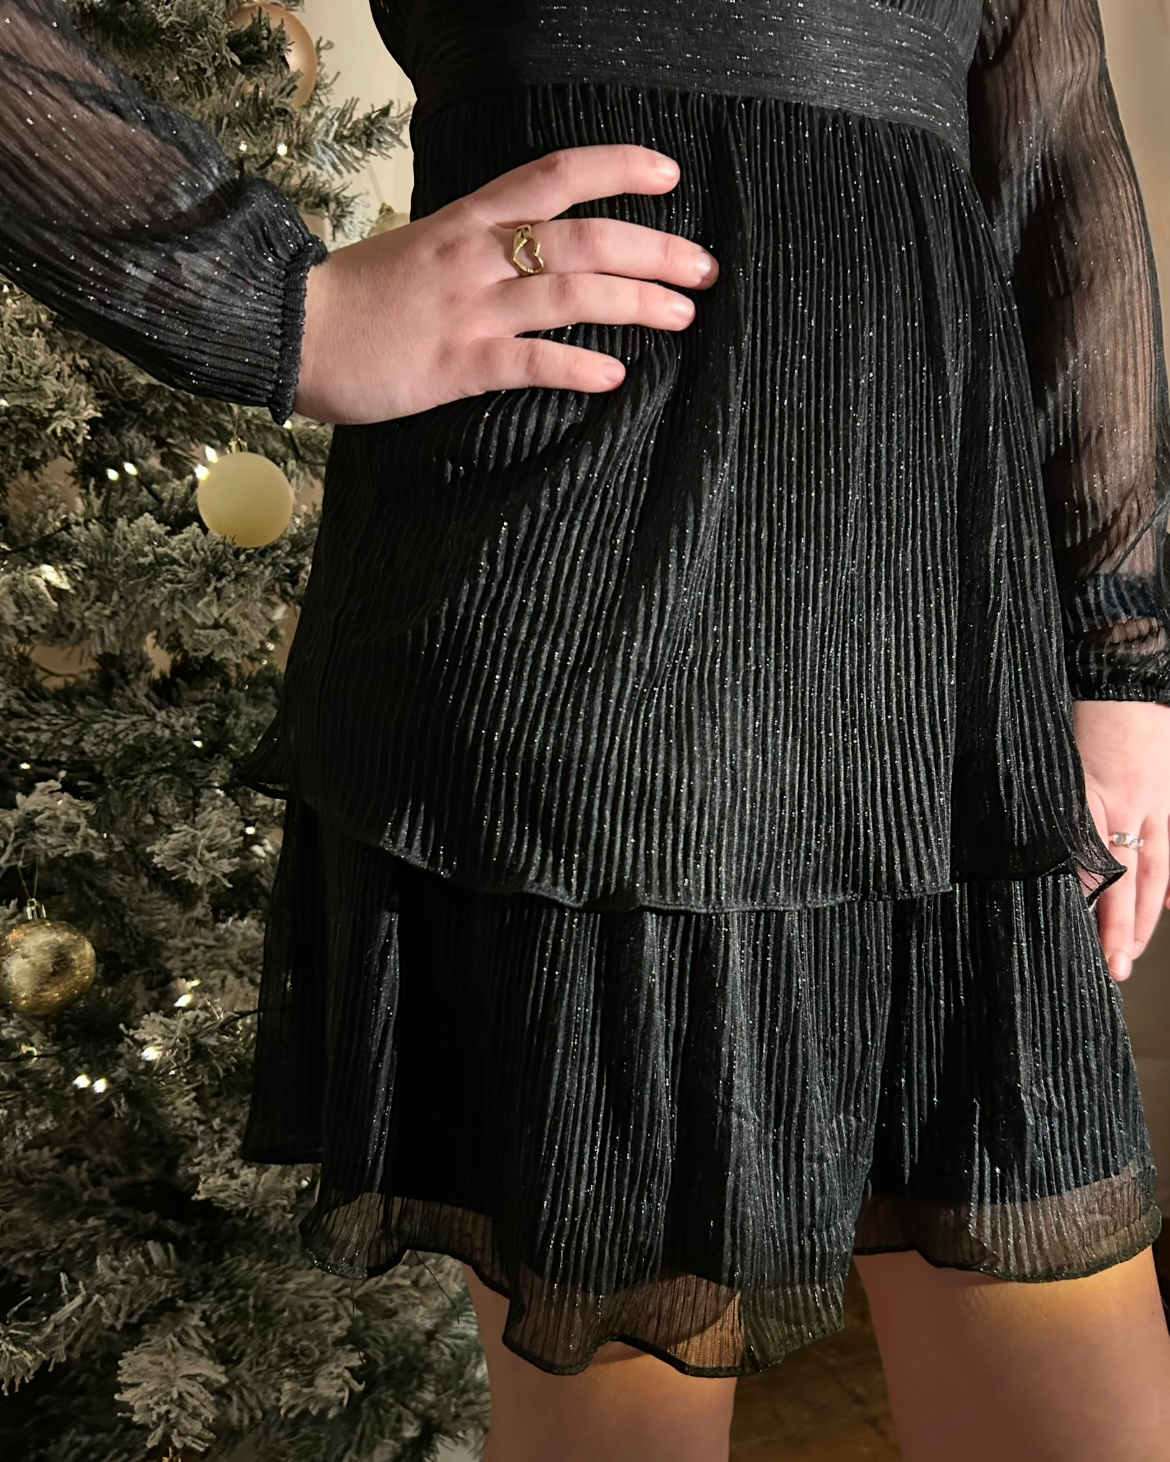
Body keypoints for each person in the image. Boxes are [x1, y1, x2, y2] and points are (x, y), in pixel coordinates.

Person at [3, 0, 1170, 1457]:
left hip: (947, 688)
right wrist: (269, 303)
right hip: (585, 663)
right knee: (616, 1409)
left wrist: (1120, 655)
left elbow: (1057, 166)